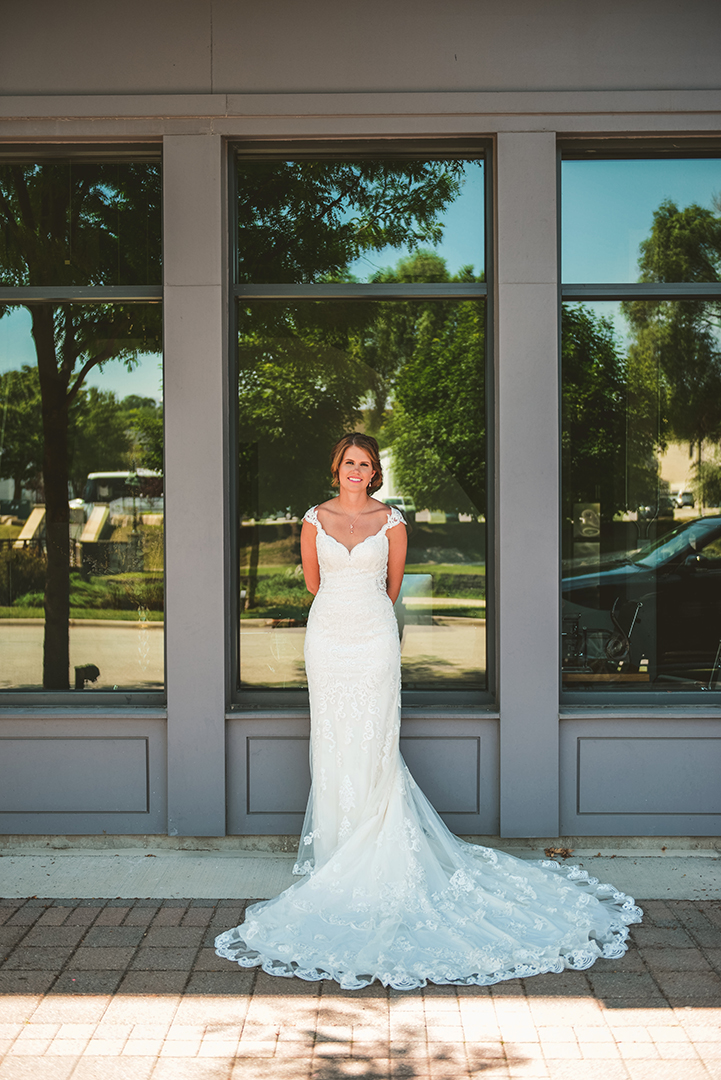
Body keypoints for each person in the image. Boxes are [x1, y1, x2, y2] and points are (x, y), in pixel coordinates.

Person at [215, 432, 642, 990]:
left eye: (365, 464)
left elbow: (391, 588)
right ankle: (337, 853)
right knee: (333, 740)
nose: (356, 471)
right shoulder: (312, 519)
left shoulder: (392, 521)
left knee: (373, 741)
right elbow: (313, 584)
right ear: (336, 466)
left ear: (375, 472)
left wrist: (366, 613)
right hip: (327, 640)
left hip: (372, 638)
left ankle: (375, 852)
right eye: (348, 462)